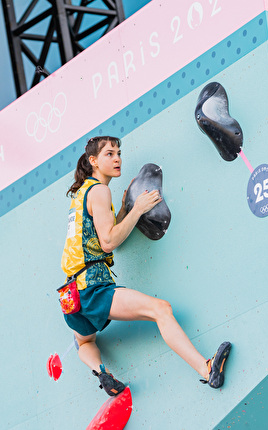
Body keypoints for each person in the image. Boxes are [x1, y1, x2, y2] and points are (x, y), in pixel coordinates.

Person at [61, 135, 231, 396]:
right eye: (109, 154)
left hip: (71, 296)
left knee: (83, 341)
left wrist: (122, 211)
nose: (117, 158)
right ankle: (206, 369)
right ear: (93, 160)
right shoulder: (99, 190)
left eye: (119, 153)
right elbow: (108, 243)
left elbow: (99, 236)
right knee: (161, 310)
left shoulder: (83, 193)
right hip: (91, 288)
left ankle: (102, 374)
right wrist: (137, 209)